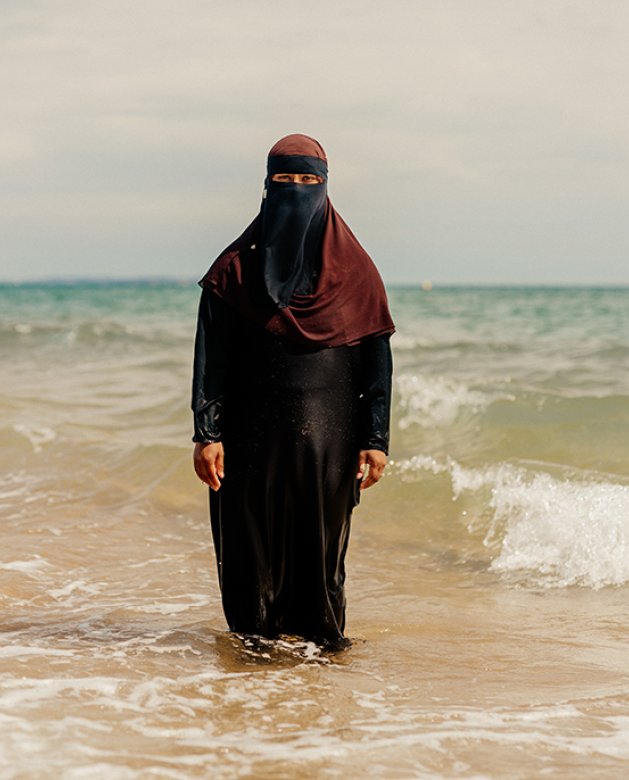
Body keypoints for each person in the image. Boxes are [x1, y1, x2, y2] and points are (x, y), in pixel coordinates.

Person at [191, 133, 394, 648]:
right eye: (284, 180)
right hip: (248, 441)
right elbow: (211, 359)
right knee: (249, 561)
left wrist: (376, 439)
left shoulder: (357, 273)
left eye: (309, 181)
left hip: (329, 444)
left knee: (320, 563)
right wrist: (206, 432)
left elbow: (376, 363)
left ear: (326, 189)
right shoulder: (232, 272)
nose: (296, 191)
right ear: (265, 187)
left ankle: (319, 680)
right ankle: (251, 679)